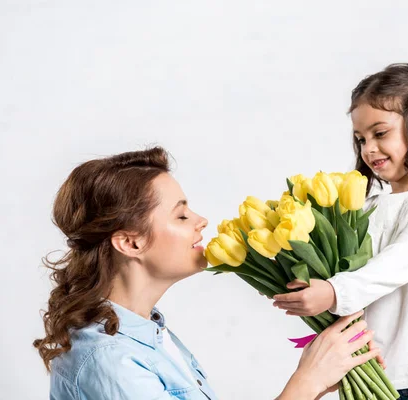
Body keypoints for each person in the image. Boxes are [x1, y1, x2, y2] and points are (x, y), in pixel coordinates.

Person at [33, 147, 381, 400]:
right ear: (130, 243)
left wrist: (318, 380)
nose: (201, 221)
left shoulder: (151, 336)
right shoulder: (110, 361)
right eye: (181, 216)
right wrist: (305, 382)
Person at [272, 63, 408, 399]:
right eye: (361, 139)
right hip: (375, 380)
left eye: (380, 134)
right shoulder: (364, 207)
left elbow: (392, 268)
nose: (368, 149)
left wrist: (331, 292)